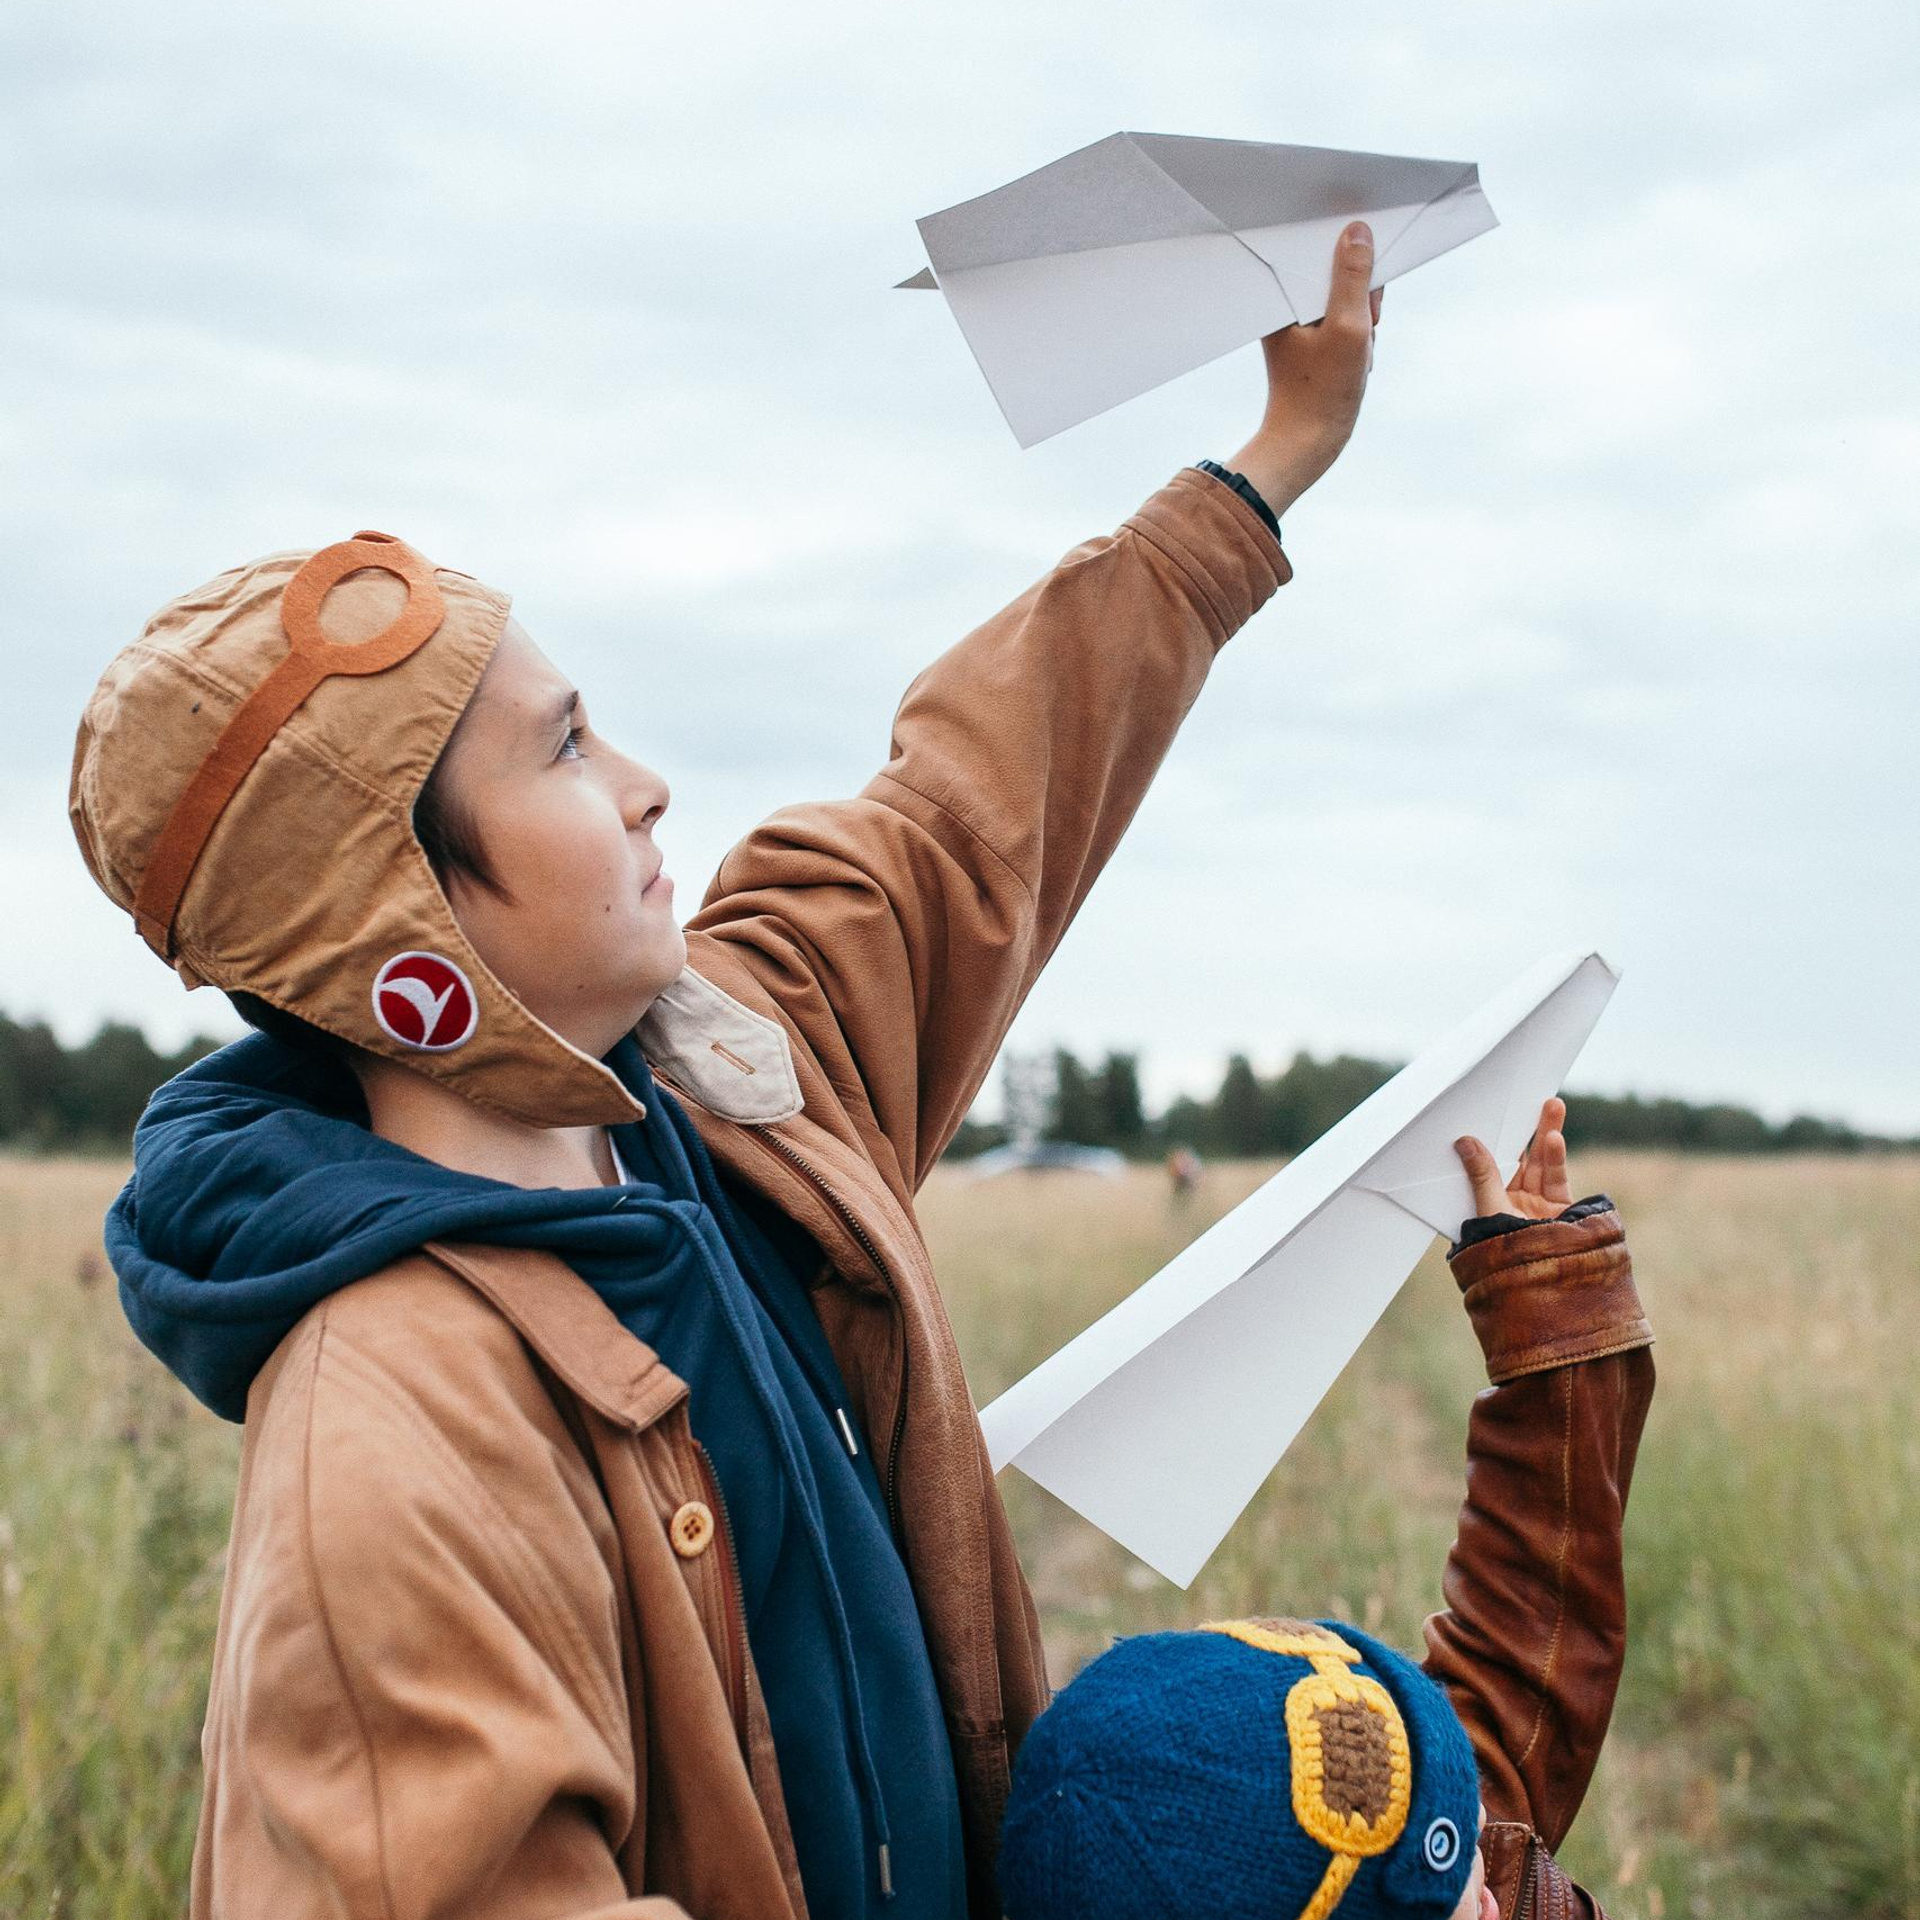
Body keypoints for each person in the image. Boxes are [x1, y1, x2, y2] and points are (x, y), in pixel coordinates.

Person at [67, 217, 1623, 1919]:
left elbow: (972, 803)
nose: (651, 784)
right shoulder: (389, 1419)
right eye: (568, 749)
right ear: (407, 948)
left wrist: (1268, 467)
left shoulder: (745, 1070)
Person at [996, 1099, 1655, 1920]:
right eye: (1464, 1887)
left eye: (1471, 1852)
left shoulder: (1419, 1850)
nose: (1489, 1868)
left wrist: (1548, 1307)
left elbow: (1523, 1645)